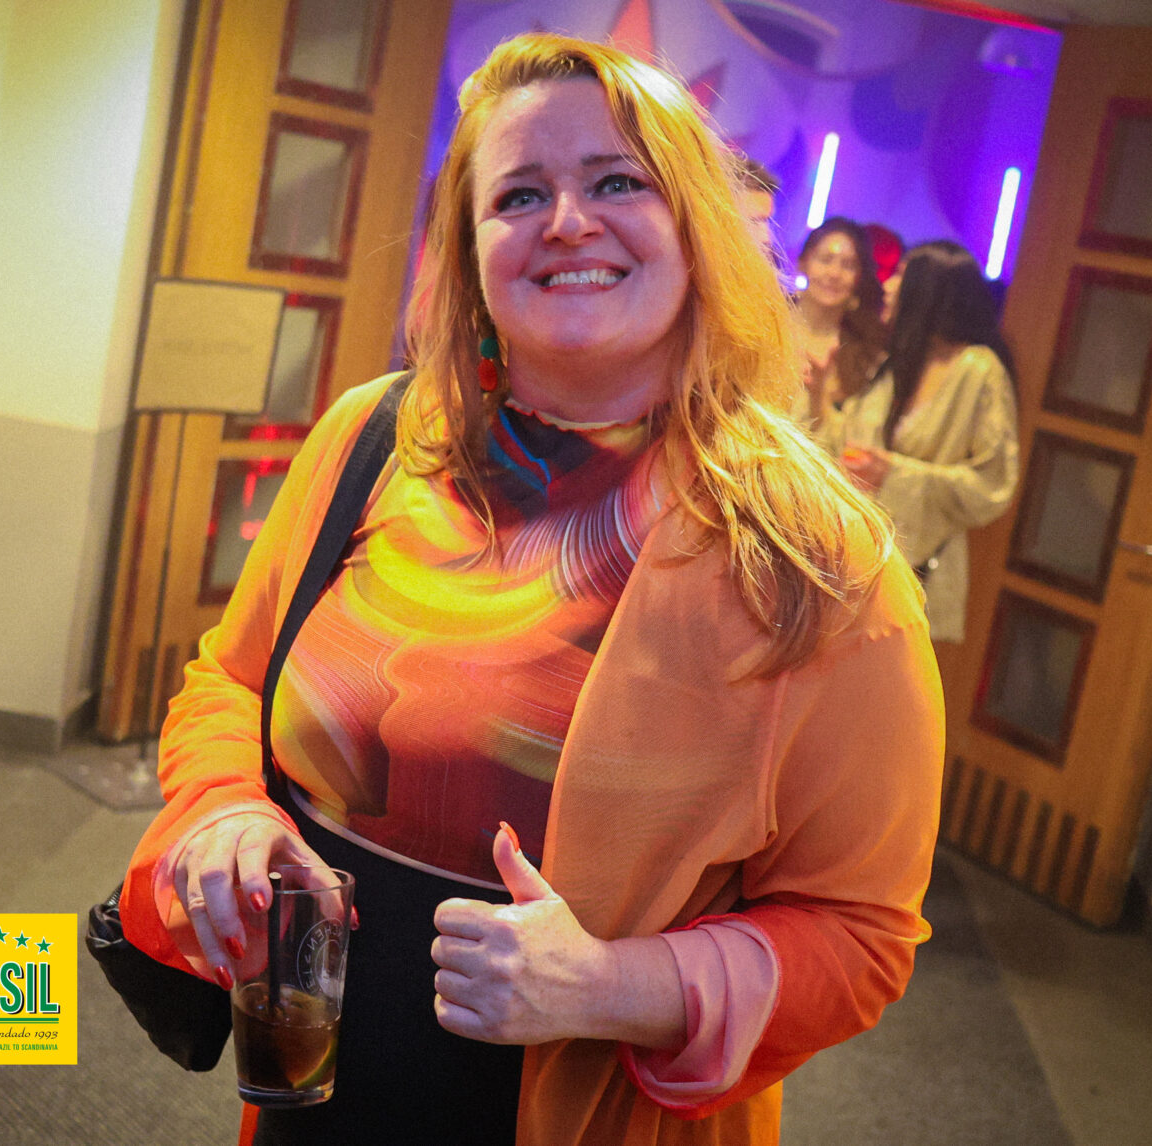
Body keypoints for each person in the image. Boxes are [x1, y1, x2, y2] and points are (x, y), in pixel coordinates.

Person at [117, 33, 944, 1146]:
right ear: (469, 253)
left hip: (592, 1110)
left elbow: (860, 935)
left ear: (697, 229)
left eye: (617, 183)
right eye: (517, 195)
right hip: (315, 1082)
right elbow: (232, 679)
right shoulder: (372, 436)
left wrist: (614, 986)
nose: (566, 221)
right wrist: (224, 806)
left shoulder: (815, 557)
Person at [815, 240, 1020, 644]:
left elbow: (993, 484)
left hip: (920, 572)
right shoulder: (901, 362)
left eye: (900, 277)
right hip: (855, 564)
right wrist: (818, 394)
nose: (888, 286)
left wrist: (895, 473)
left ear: (928, 294)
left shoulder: (978, 370)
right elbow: (845, 441)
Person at [791, 217, 886, 422]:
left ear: (859, 277)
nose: (834, 273)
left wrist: (819, 395)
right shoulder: (769, 322)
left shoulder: (867, 351)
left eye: (848, 265)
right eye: (825, 260)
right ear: (803, 262)